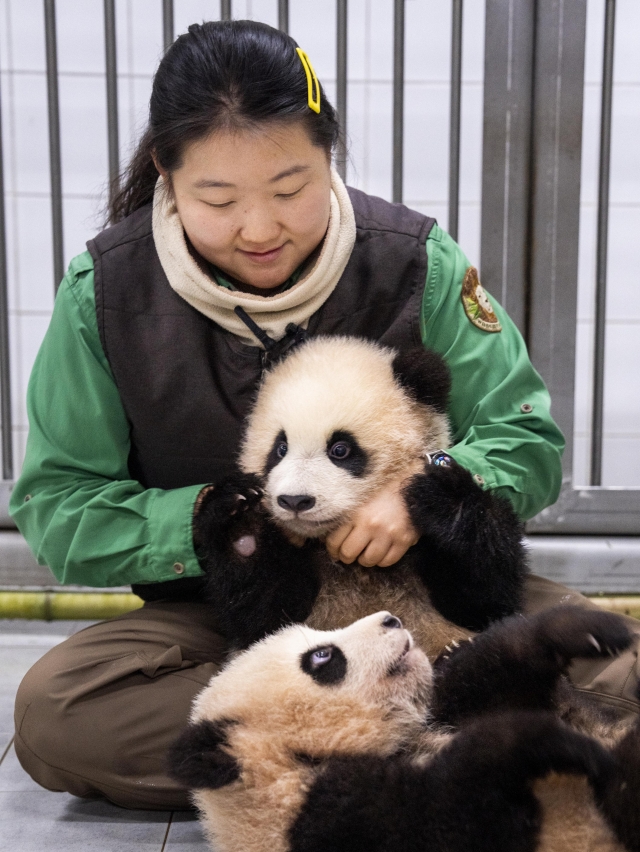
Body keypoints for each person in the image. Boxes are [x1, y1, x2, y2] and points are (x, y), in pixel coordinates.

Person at [10, 20, 640, 811]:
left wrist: (428, 491)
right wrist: (224, 525)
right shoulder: (104, 295)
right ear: (166, 175)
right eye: (218, 198)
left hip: (427, 600)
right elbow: (60, 508)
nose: (261, 228)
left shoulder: (417, 263)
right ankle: (461, 755)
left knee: (617, 665)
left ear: (329, 155)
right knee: (59, 715)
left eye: (290, 188)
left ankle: (341, 765)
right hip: (227, 621)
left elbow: (526, 439)